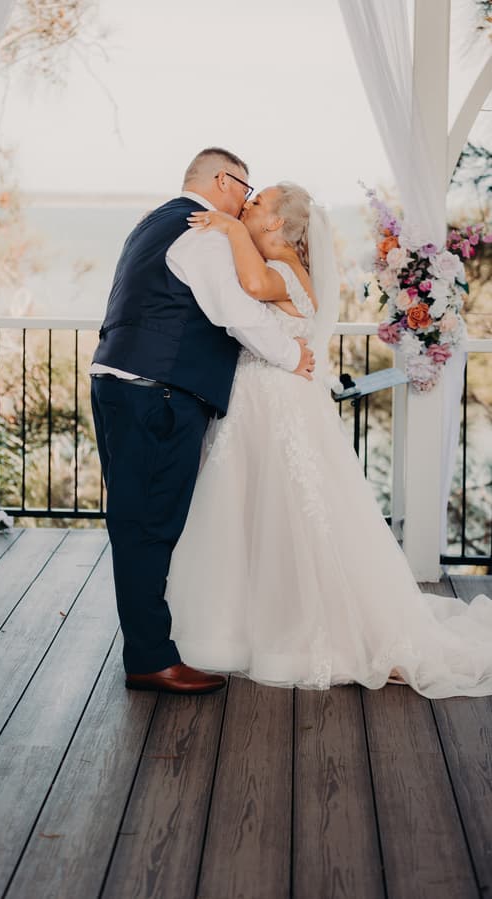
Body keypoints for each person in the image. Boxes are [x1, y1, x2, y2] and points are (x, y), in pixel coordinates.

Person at [166, 182, 492, 699]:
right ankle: (237, 626)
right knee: (245, 511)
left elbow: (250, 285)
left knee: (291, 512)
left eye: (255, 203)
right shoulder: (282, 266)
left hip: (279, 407)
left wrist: (226, 226)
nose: (245, 207)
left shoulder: (289, 273)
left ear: (274, 224)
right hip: (255, 404)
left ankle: (296, 634)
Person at [90, 149, 315, 695]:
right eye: (247, 188)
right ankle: (149, 657)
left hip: (117, 382)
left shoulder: (152, 224)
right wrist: (291, 358)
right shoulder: (205, 232)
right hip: (158, 394)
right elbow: (233, 311)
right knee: (149, 526)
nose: (245, 202)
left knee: (135, 522)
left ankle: (150, 646)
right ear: (224, 180)